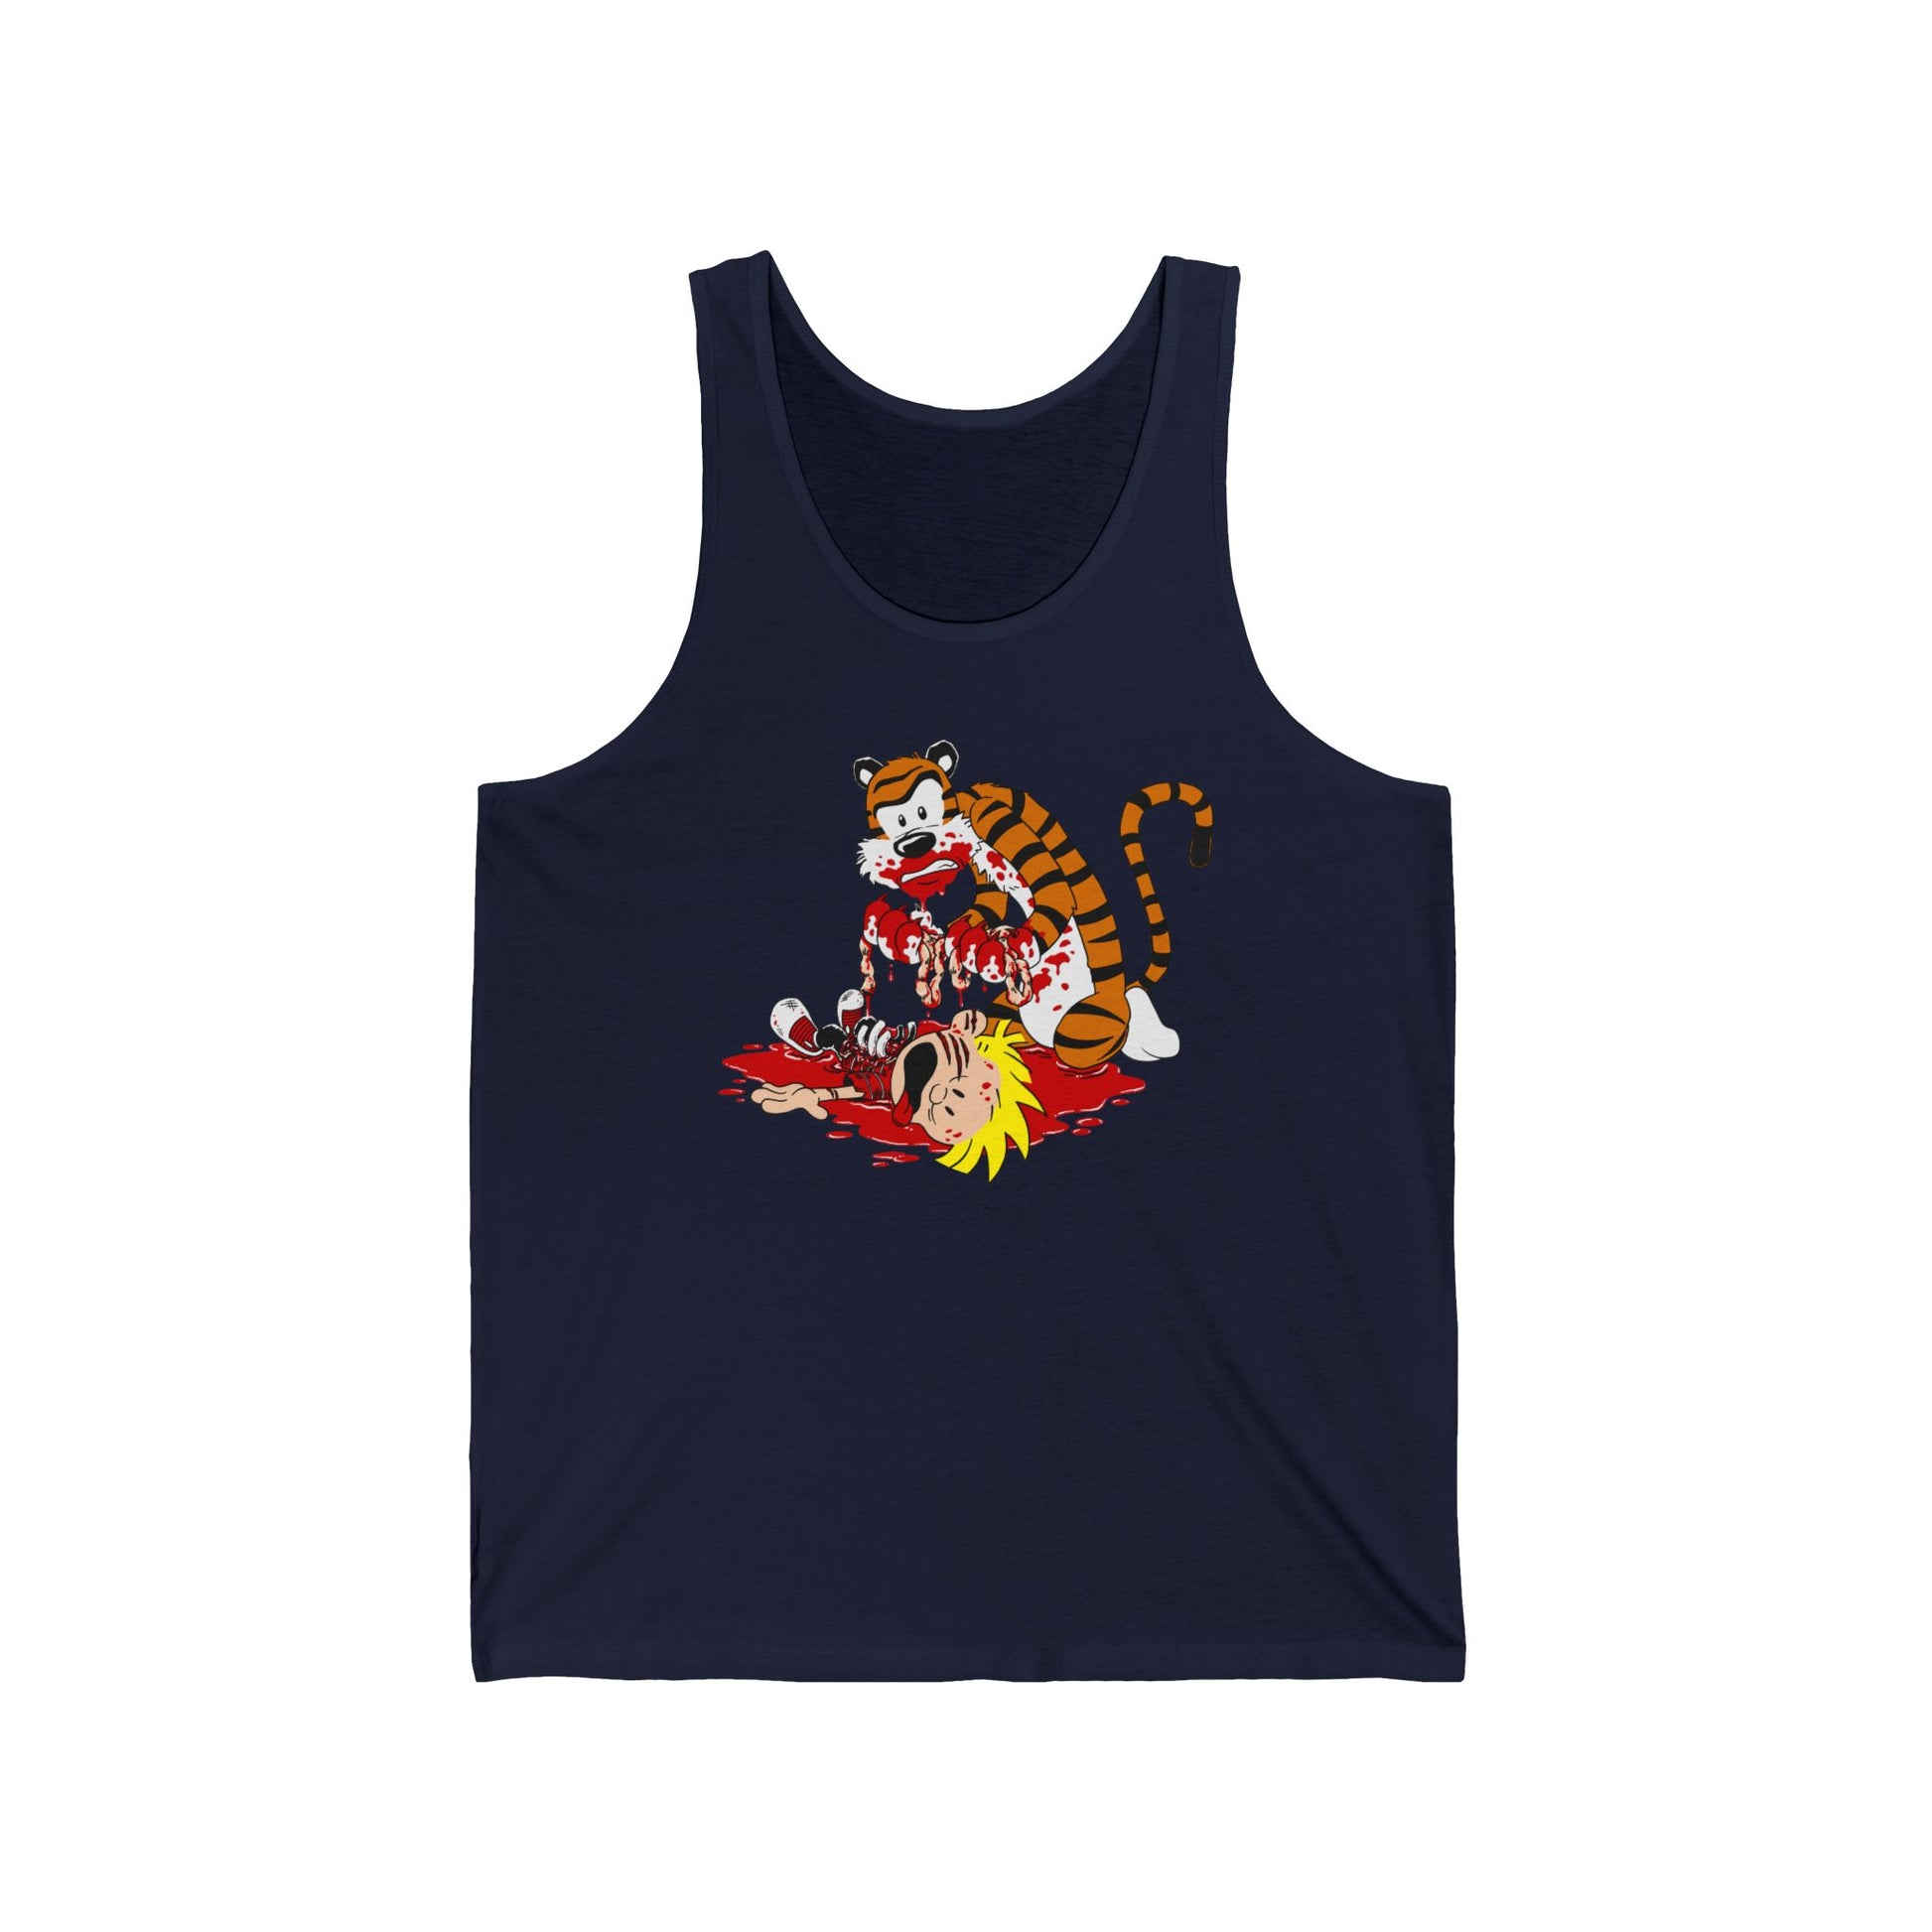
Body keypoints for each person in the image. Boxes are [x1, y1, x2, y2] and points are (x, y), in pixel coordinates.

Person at [756, 994, 1043, 1178]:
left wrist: (815, 1095)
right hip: (886, 1041)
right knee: (868, 1033)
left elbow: (856, 1089)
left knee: (841, 1044)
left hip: (862, 1060)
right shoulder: (926, 1039)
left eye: (943, 1110)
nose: (939, 1094)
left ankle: (816, 1040)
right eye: (956, 1091)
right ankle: (854, 1028)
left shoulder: (887, 1083)